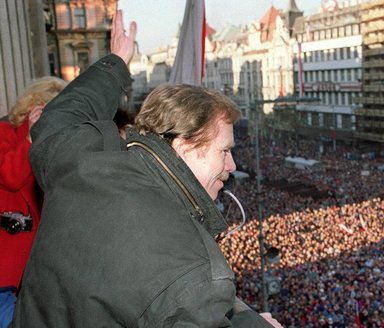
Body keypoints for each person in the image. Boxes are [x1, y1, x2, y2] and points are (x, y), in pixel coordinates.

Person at [11, 11, 281, 328]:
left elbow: (58, 118)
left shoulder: (83, 162)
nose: (232, 165)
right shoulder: (190, 268)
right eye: (224, 151)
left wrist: (116, 63)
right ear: (185, 147)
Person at [0, 76, 66, 328]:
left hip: (29, 281)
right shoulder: (4, 134)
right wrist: (30, 138)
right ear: (36, 110)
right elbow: (12, 176)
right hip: (5, 279)